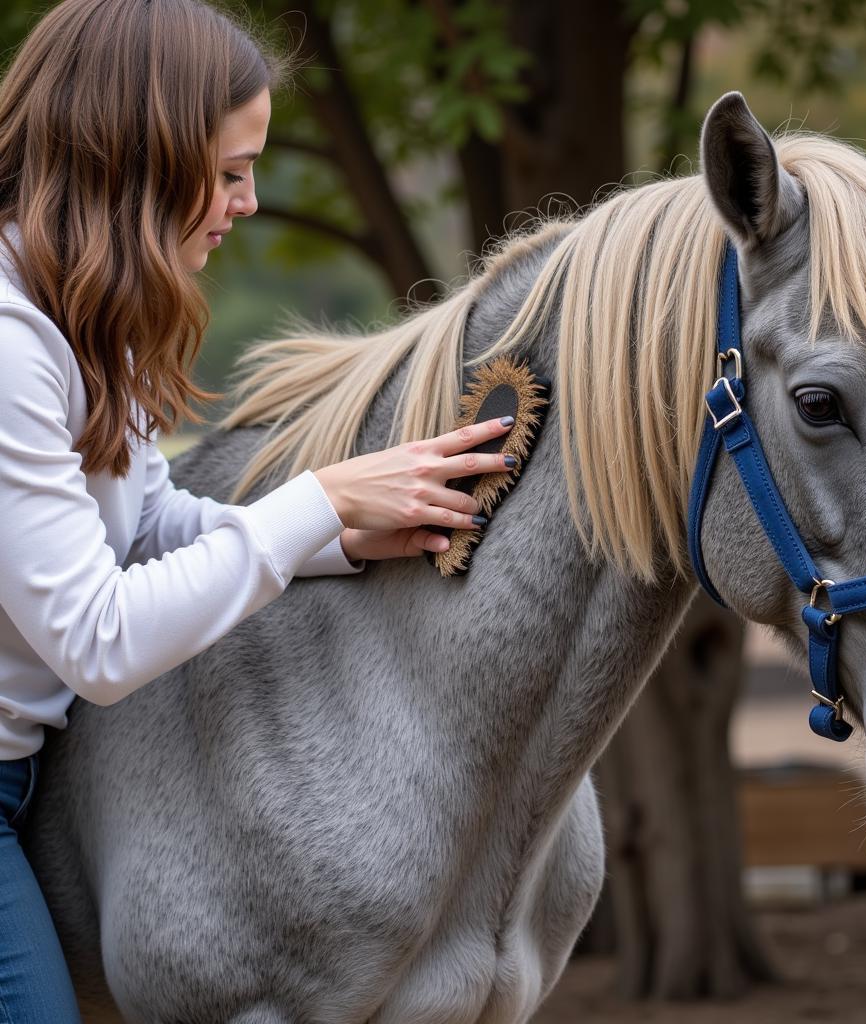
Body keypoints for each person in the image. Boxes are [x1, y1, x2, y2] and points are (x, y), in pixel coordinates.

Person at [0, 1, 516, 1018]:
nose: (245, 201)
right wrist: (314, 499)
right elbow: (97, 640)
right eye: (229, 172)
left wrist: (341, 536)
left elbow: (146, 529)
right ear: (137, 160)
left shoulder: (97, 322)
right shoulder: (12, 348)